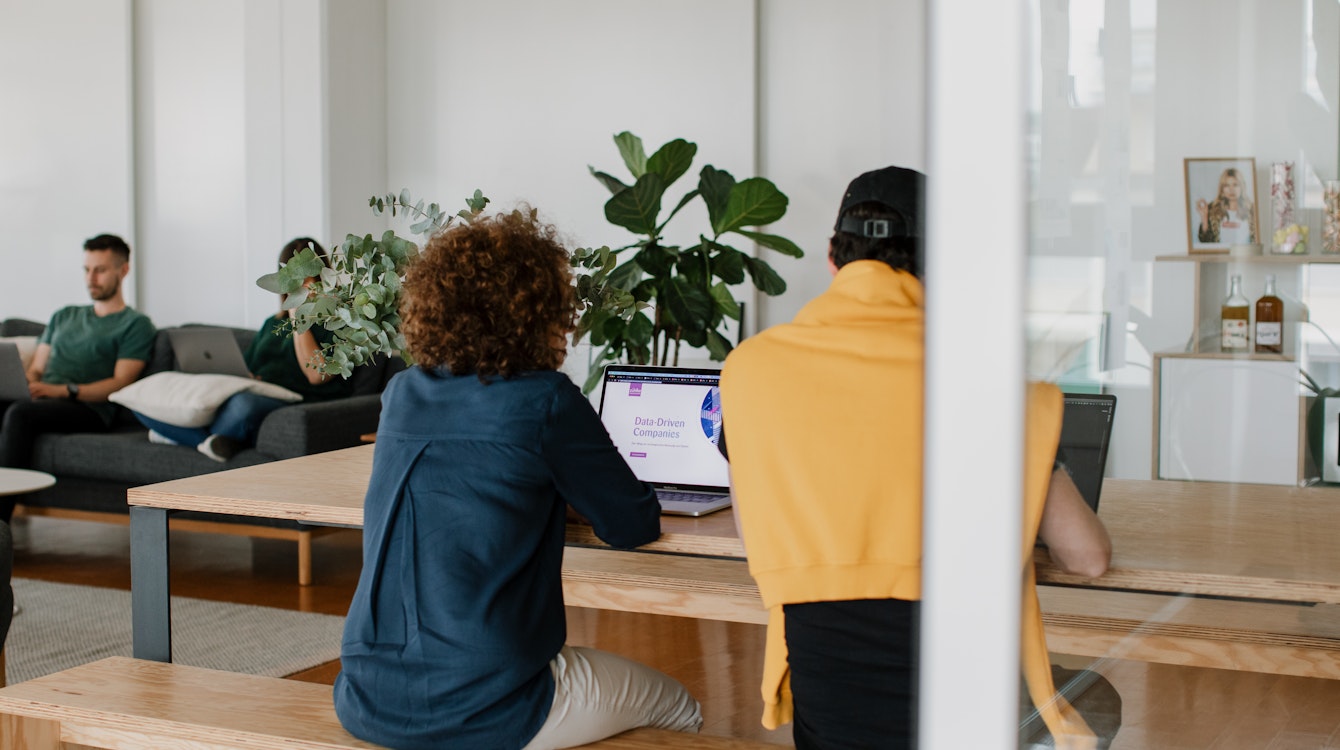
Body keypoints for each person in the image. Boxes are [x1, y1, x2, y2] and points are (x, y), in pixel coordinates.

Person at [718, 167, 1113, 749]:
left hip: (832, 723)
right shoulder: (989, 387)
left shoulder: (752, 372)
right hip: (968, 720)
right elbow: (1088, 557)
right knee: (1100, 700)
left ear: (833, 259)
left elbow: (758, 538)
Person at [333, 209, 702, 749]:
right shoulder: (547, 399)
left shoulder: (403, 393)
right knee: (680, 706)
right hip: (493, 704)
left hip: (366, 694)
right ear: (538, 310)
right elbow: (632, 524)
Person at [131, 237, 352, 462]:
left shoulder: (337, 321)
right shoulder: (272, 323)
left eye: (305, 276)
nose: (300, 284)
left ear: (321, 275)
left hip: (294, 400)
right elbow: (247, 371)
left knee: (242, 405)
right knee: (140, 399)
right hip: (257, 392)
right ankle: (213, 442)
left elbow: (316, 375)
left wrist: (298, 317)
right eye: (292, 277)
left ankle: (181, 436)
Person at [0, 234, 156, 520]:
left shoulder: (135, 324)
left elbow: (120, 383)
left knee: (20, 414)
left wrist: (61, 390)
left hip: (89, 408)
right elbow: (37, 367)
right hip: (43, 399)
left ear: (123, 270)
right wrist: (27, 382)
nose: (91, 278)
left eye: (100, 270)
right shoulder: (64, 316)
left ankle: (1, 521)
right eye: (87, 270)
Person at [1196, 167, 1257, 245]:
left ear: (1242, 187)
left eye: (1235, 185)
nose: (1231, 189)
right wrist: (1204, 217)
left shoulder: (1252, 210)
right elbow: (1204, 241)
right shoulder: (1213, 210)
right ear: (1222, 189)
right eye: (1227, 185)